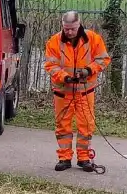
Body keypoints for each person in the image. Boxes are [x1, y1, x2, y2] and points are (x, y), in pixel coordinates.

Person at [44, 11, 111, 172]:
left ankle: (84, 158)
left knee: (86, 125)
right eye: (66, 28)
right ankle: (64, 158)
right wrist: (65, 77)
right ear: (62, 25)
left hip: (85, 92)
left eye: (72, 29)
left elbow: (103, 59)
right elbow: (51, 65)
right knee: (62, 126)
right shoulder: (54, 41)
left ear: (79, 24)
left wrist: (88, 70)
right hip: (62, 92)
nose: (69, 32)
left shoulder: (93, 39)